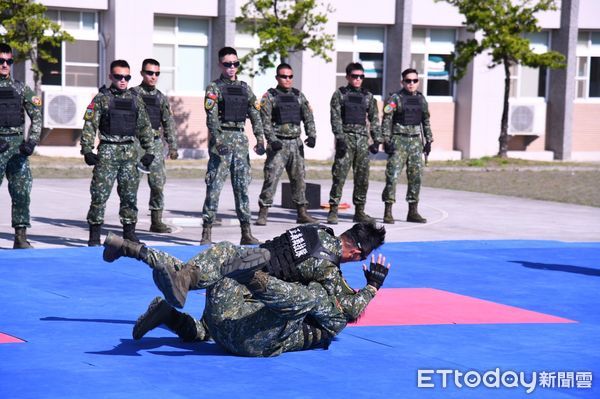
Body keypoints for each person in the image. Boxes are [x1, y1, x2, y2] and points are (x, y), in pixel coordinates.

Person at [102, 222, 386, 319]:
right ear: (357, 253)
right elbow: (347, 309)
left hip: (244, 255)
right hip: (248, 284)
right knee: (219, 326)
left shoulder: (315, 230)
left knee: (190, 271)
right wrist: (372, 286)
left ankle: (129, 247)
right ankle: (180, 294)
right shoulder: (327, 267)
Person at [131, 253, 389, 357]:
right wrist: (371, 288)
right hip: (244, 340)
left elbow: (350, 310)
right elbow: (350, 309)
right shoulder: (329, 310)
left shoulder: (327, 305)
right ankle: (182, 285)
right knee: (229, 262)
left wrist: (371, 288)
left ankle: (138, 251)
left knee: (228, 263)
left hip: (229, 333)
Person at [80, 59, 155, 246]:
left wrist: (149, 150)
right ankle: (94, 235)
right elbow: (90, 125)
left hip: (129, 152)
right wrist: (87, 150)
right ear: (111, 77)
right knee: (99, 194)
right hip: (107, 152)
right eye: (119, 76)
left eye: (127, 77)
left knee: (130, 195)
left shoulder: (135, 99)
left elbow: (145, 126)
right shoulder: (101, 98)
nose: (123, 80)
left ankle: (129, 233)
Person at [200, 47, 265, 245]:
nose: (231, 67)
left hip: (240, 139)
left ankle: (246, 232)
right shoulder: (214, 87)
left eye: (235, 64)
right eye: (227, 64)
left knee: (242, 188)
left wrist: (260, 139)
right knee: (214, 187)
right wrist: (217, 142)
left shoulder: (245, 88)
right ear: (221, 64)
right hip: (222, 141)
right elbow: (211, 118)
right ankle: (206, 232)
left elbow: (255, 114)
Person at [255, 63, 318, 226]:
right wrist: (272, 139)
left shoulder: (299, 96)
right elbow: (265, 121)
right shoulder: (269, 96)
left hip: (296, 144)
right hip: (279, 144)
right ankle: (263, 212)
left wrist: (312, 136)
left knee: (299, 179)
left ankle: (302, 213)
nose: (287, 79)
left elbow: (308, 117)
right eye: (284, 76)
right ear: (277, 78)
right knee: (271, 178)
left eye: (290, 76)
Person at [327, 62, 382, 225]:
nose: (358, 79)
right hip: (346, 139)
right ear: (348, 77)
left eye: (361, 76)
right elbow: (335, 118)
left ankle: (359, 211)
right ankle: (333, 210)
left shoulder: (368, 96)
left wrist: (376, 140)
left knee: (362, 178)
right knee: (339, 176)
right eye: (354, 76)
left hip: (362, 141)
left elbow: (374, 119)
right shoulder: (340, 94)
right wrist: (340, 138)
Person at [0, 43, 42, 249]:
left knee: (22, 191)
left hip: (17, 147)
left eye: (8, 61)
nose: (5, 65)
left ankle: (20, 236)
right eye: (1, 61)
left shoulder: (20, 88)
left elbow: (37, 116)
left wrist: (31, 141)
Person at [131, 58, 179, 234]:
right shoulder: (132, 94)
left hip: (156, 144)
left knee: (158, 184)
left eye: (156, 73)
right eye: (150, 73)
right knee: (131, 184)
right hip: (136, 144)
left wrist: (173, 146)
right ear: (142, 73)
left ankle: (156, 221)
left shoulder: (160, 97)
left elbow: (168, 123)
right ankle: (129, 221)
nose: (153, 76)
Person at [381, 68, 433, 224]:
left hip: (416, 142)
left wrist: (429, 140)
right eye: (408, 81)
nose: (411, 84)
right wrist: (386, 140)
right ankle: (388, 211)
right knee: (392, 177)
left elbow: (425, 121)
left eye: (414, 81)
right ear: (402, 82)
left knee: (416, 177)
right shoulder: (394, 99)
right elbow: (386, 120)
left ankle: (413, 211)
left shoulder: (421, 100)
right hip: (399, 141)